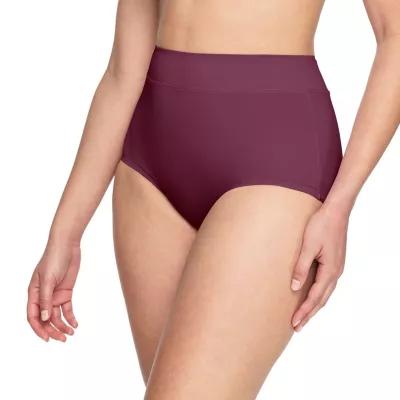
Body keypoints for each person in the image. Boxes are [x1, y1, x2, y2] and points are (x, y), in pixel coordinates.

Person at [27, 1, 400, 398]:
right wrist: (65, 232)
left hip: (275, 164)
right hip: (149, 171)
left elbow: (395, 34)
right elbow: (123, 71)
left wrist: (341, 204)